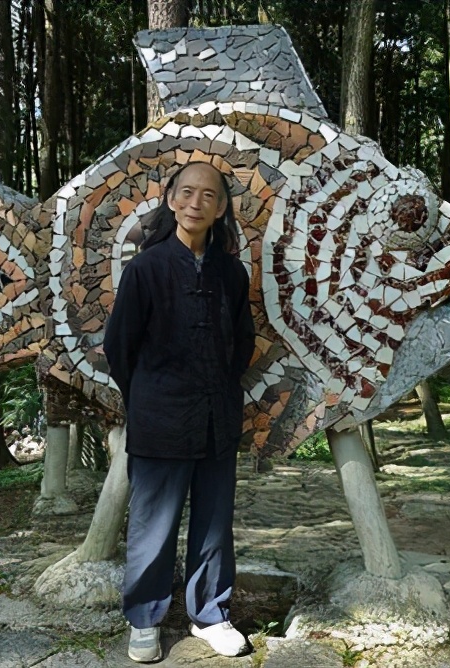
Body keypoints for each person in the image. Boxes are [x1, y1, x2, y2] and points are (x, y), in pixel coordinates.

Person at [104, 161, 256, 663]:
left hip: (217, 416)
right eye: (187, 192)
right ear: (171, 201)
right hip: (160, 417)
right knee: (154, 524)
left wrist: (220, 387)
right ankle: (144, 619)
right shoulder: (146, 269)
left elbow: (243, 344)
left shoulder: (231, 273)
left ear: (220, 209)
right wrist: (150, 395)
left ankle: (210, 613)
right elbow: (119, 346)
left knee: (214, 524)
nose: (196, 202)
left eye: (208, 196)